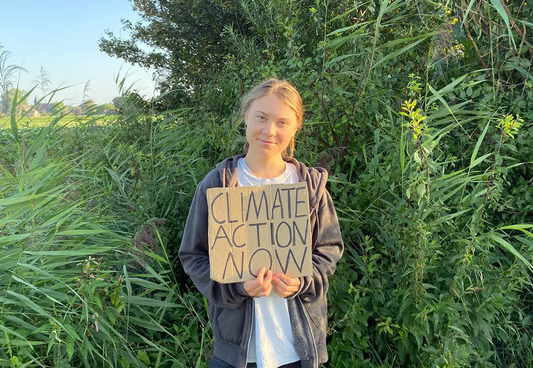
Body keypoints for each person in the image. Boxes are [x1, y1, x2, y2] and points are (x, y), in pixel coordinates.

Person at [179, 79, 344, 368]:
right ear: (245, 116)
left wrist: (301, 281)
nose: (269, 130)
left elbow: (329, 249)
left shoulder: (311, 187)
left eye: (282, 121)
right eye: (261, 117)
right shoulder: (217, 185)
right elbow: (193, 256)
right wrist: (237, 287)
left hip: (299, 349)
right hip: (238, 354)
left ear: (296, 127)